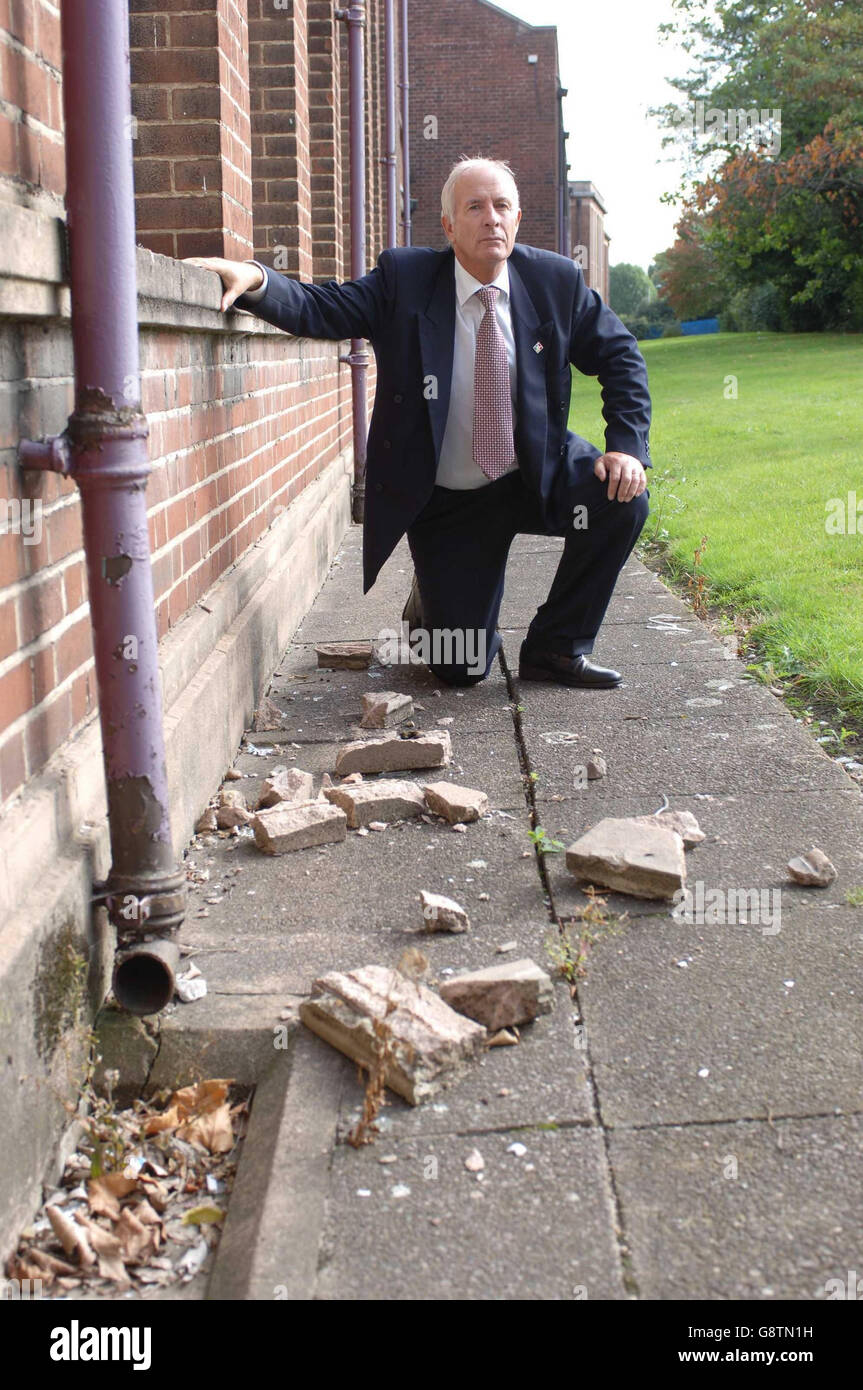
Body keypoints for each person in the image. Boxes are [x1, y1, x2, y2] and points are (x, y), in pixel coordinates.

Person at [185, 156, 651, 688]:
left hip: (534, 471)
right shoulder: (406, 279)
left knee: (622, 497)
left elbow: (621, 357)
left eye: (501, 207)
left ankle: (557, 648)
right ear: (449, 226)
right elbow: (326, 307)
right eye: (474, 207)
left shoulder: (555, 281)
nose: (491, 219)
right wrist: (257, 279)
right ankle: (434, 603)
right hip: (450, 501)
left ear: (517, 219)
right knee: (460, 667)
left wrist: (626, 447)